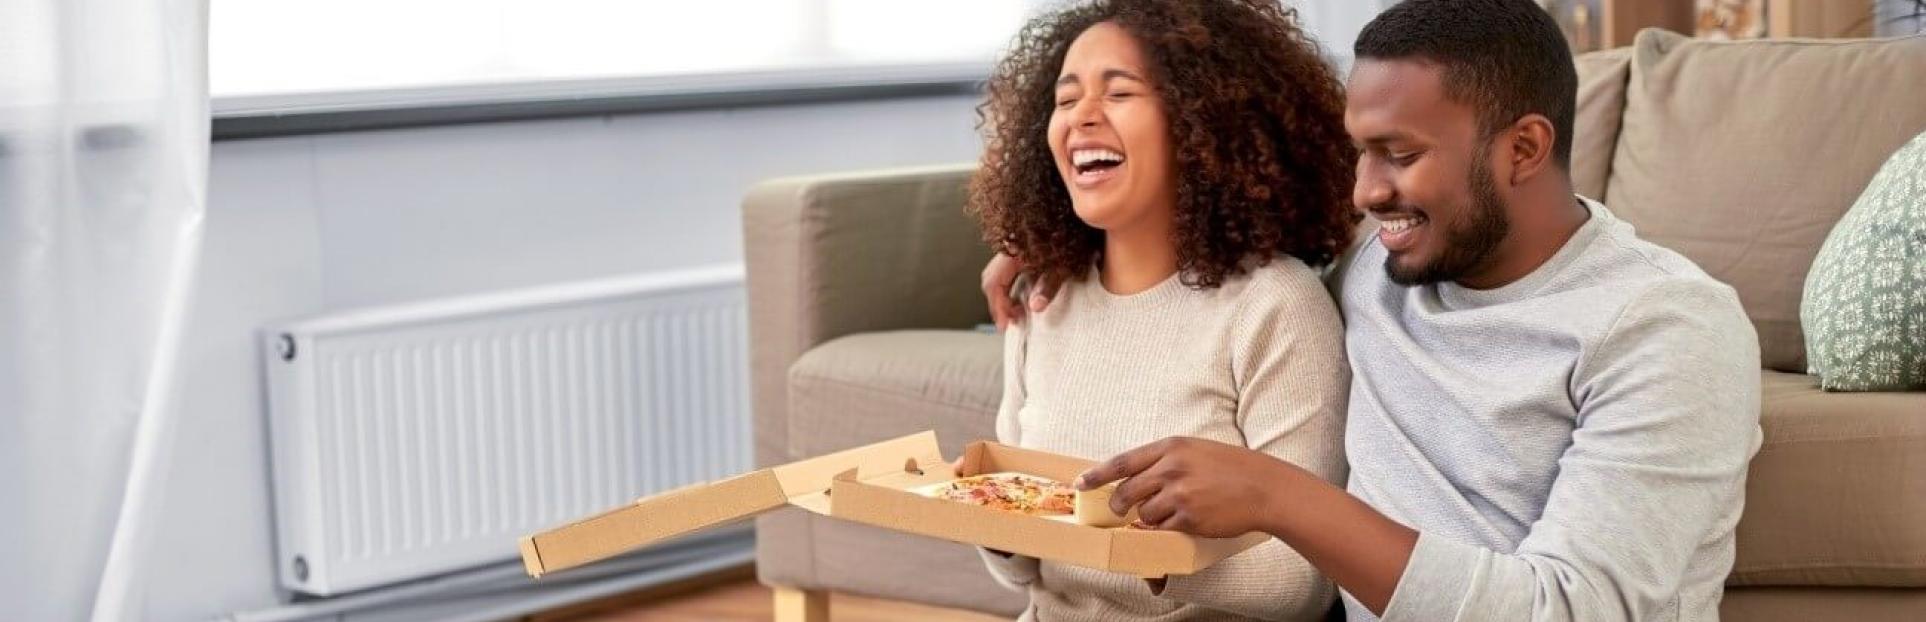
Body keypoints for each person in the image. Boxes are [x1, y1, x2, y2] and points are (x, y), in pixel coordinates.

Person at [982, 0, 1764, 620]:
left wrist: (1277, 498)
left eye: (1401, 154)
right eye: (1362, 151)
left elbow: (1575, 610)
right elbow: (1240, 209)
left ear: (1523, 149)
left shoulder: (1668, 328)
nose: (1366, 189)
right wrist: (1049, 239)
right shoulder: (1380, 265)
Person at [963, 0, 1360, 620]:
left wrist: (1139, 556)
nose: (1083, 118)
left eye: (1118, 93)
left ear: (1202, 119)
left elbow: (1301, 581)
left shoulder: (1276, 307)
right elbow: (1025, 573)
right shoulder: (1044, 298)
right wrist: (991, 524)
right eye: (1066, 101)